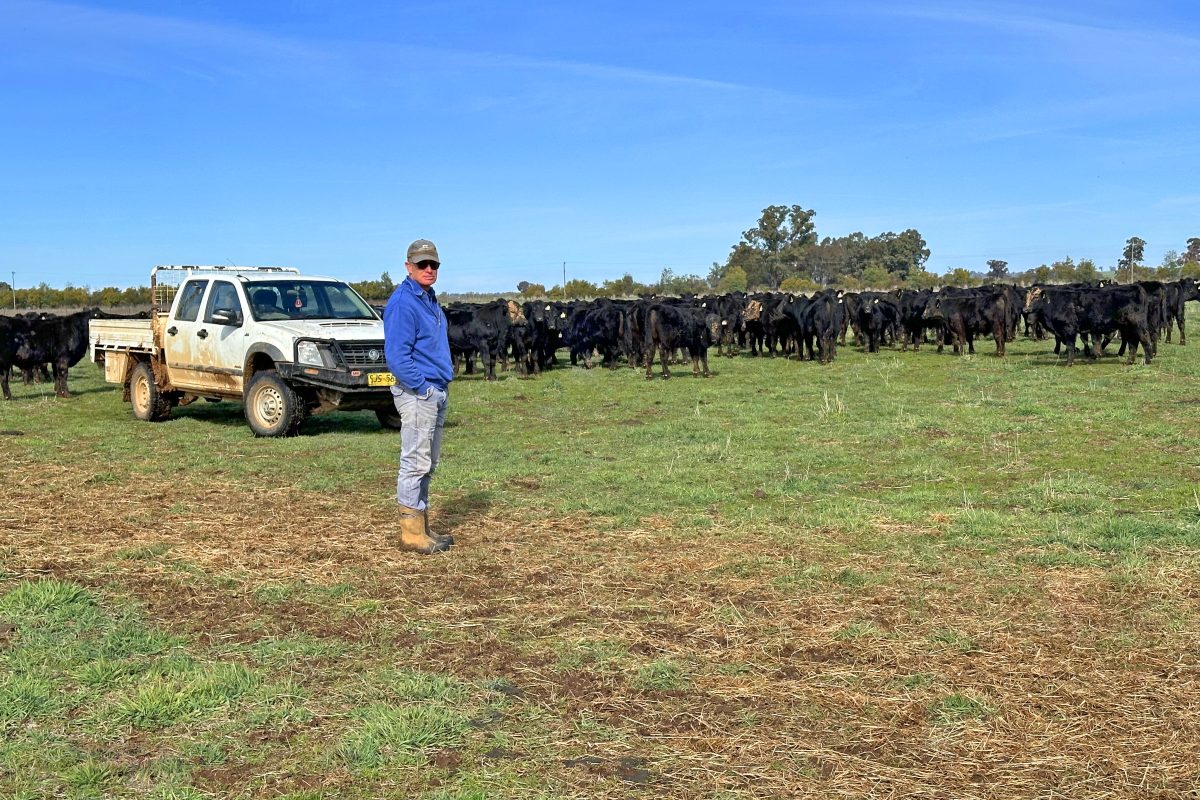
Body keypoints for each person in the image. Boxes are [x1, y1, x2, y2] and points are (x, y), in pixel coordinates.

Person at [383, 239, 456, 554]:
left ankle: (421, 525)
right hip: (419, 392)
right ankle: (411, 534)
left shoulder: (428, 299)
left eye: (434, 264)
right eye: (422, 264)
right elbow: (397, 357)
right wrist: (424, 388)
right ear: (408, 266)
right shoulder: (403, 302)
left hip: (435, 390)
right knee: (415, 460)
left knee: (428, 461)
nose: (429, 269)